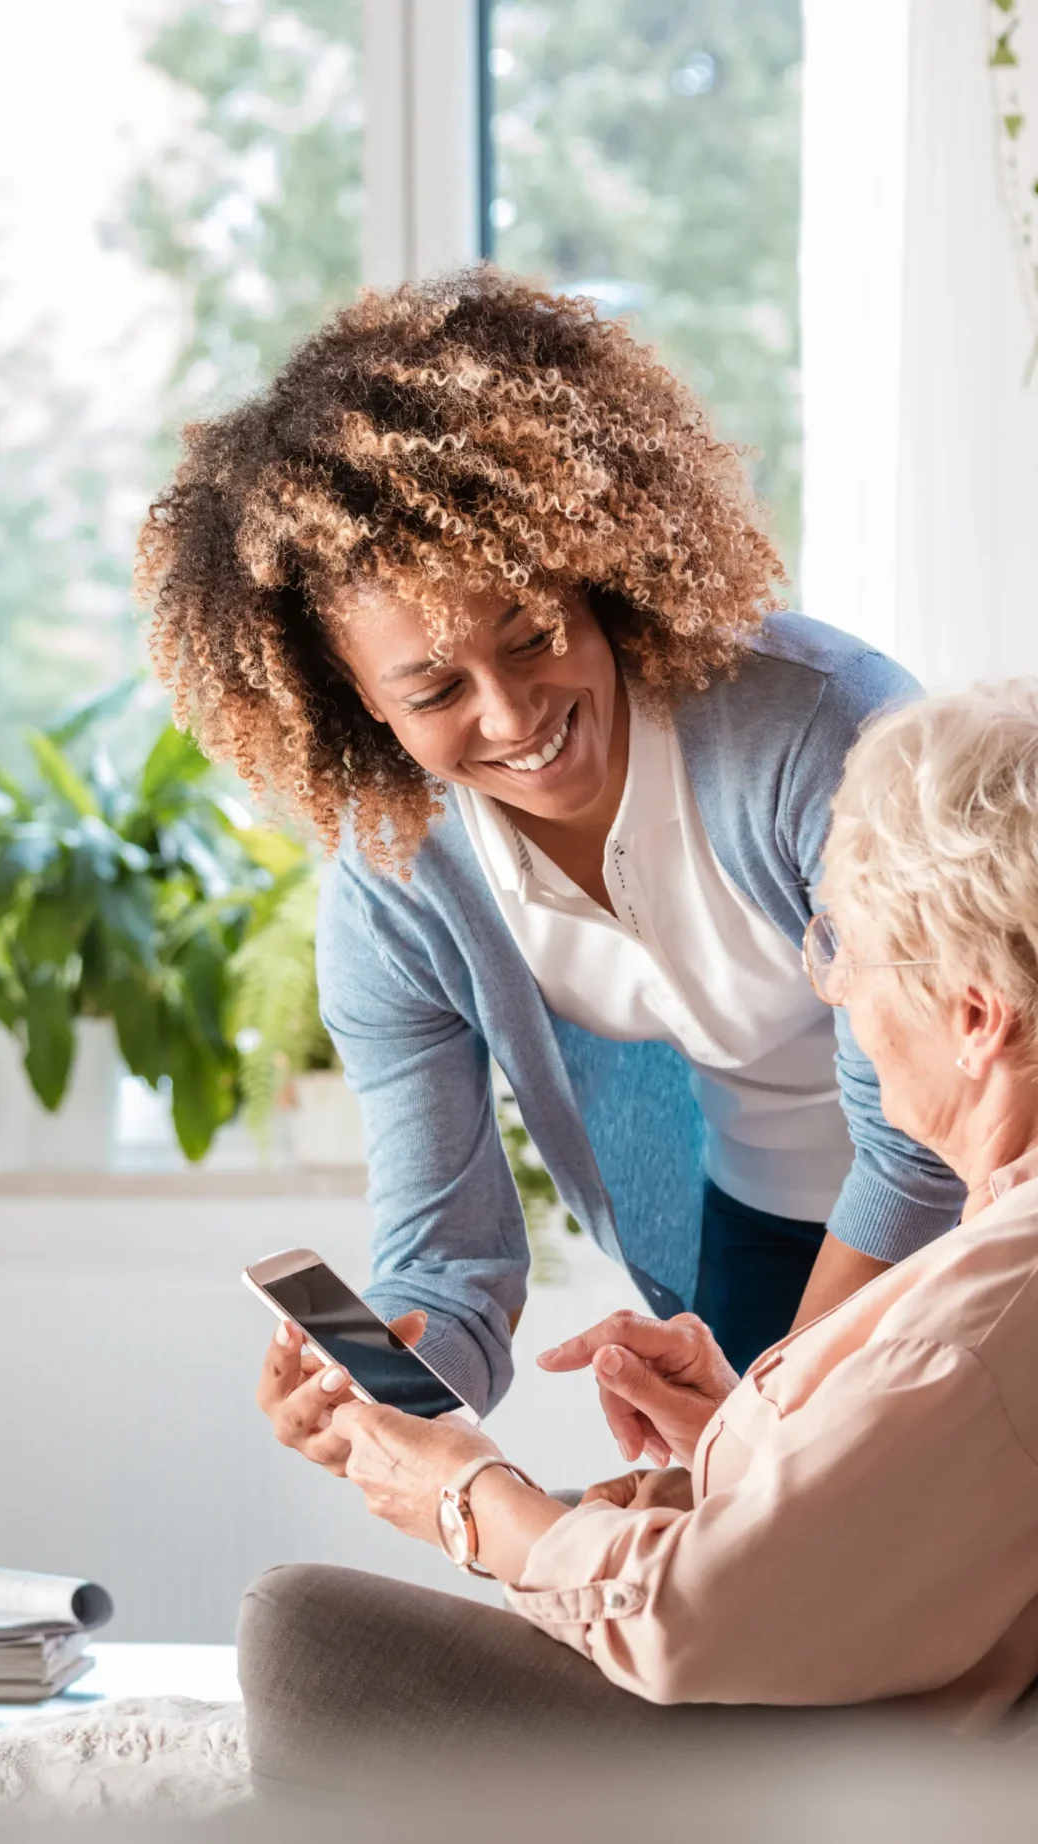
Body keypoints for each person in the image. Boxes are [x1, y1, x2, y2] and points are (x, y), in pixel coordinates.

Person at [236, 679, 1038, 1783]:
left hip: (814, 1767)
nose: (840, 998)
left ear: (972, 1016)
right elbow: (940, 1486)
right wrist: (748, 1423)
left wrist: (463, 1497)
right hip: (848, 1662)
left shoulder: (1004, 1294)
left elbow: (690, 1614)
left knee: (301, 1631)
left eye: (845, 955)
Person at [139, 265, 975, 1449]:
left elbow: (922, 1127)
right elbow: (451, 1262)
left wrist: (772, 1418)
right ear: (356, 704)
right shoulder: (399, 893)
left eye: (532, 635)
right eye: (433, 689)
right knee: (764, 1610)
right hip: (761, 1238)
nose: (510, 712)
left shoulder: (815, 729)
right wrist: (388, 1385)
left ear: (593, 576)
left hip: (994, 1201)